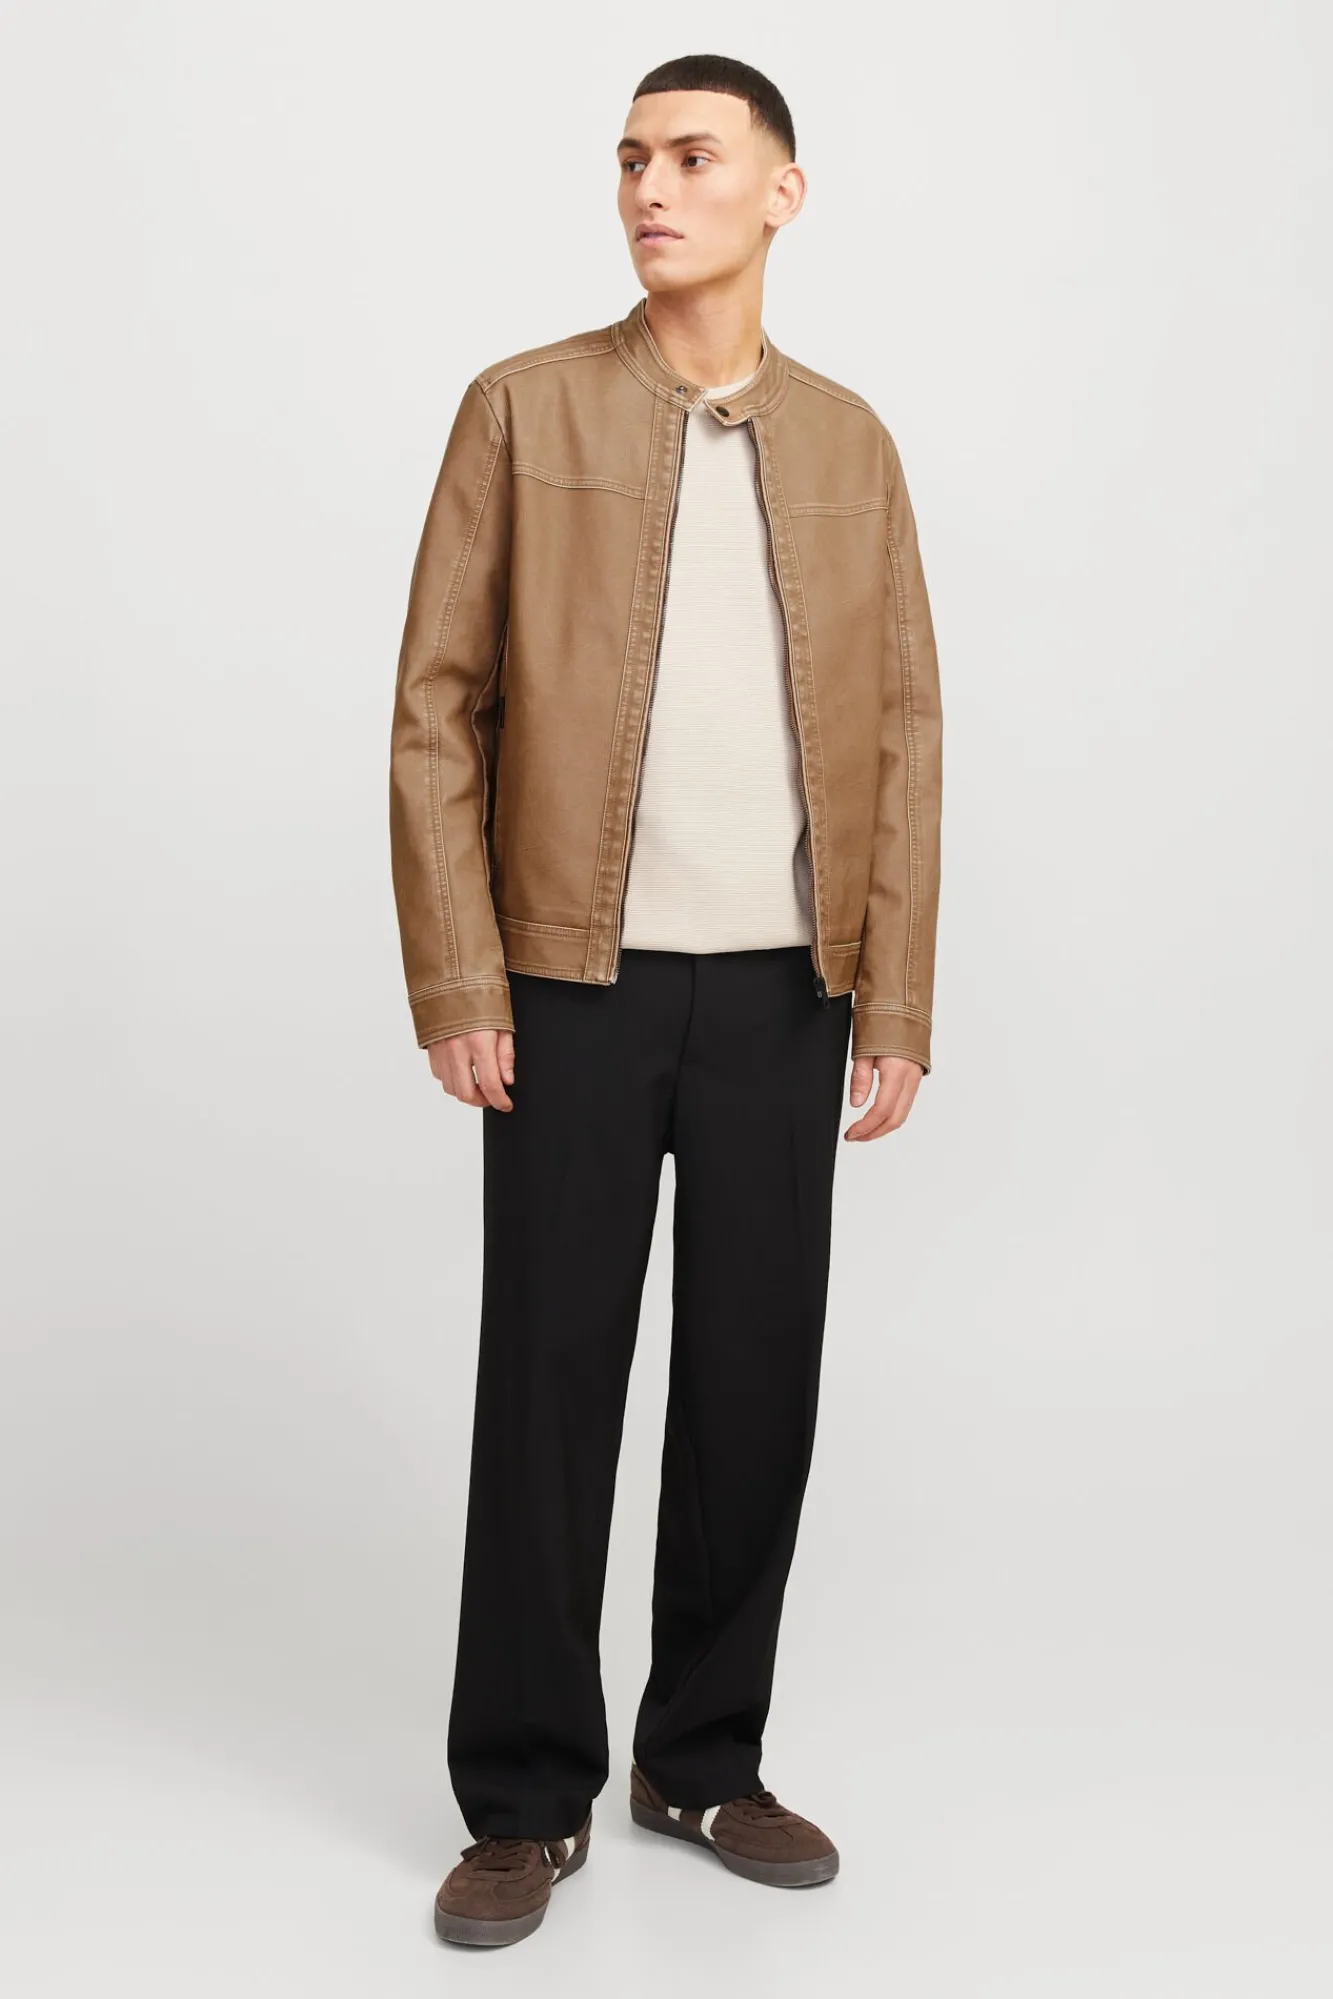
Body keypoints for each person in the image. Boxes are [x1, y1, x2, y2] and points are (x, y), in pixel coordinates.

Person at [387, 51, 943, 1950]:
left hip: (791, 983)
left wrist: (895, 990)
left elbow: (907, 730)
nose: (651, 187)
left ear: (783, 192)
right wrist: (461, 969)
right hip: (571, 977)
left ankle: (702, 1756)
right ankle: (523, 1797)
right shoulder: (521, 407)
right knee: (550, 1381)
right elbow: (436, 708)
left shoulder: (854, 444)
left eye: (695, 157)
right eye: (631, 157)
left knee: (753, 1384)